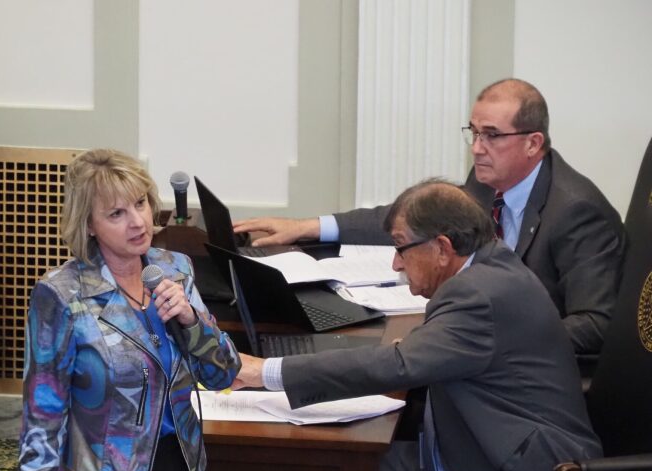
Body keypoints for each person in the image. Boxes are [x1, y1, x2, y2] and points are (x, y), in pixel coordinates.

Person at [234, 180, 637, 471]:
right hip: (473, 455)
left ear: (442, 248)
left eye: (402, 249)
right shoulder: (482, 273)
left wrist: (266, 371)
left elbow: (402, 366)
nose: (396, 263)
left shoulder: (480, 295)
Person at [234, 78, 624, 356]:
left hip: (527, 376)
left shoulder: (576, 212)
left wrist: (489, 335)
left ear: (533, 142)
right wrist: (310, 226)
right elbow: (413, 220)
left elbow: (596, 325)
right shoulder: (487, 181)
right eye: (473, 133)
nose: (477, 149)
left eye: (491, 136)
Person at [18, 149, 240, 471]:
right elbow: (43, 407)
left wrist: (192, 321)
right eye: (116, 214)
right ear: (88, 225)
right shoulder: (62, 295)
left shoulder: (175, 269)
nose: (138, 222)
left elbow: (222, 374)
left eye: (139, 203)